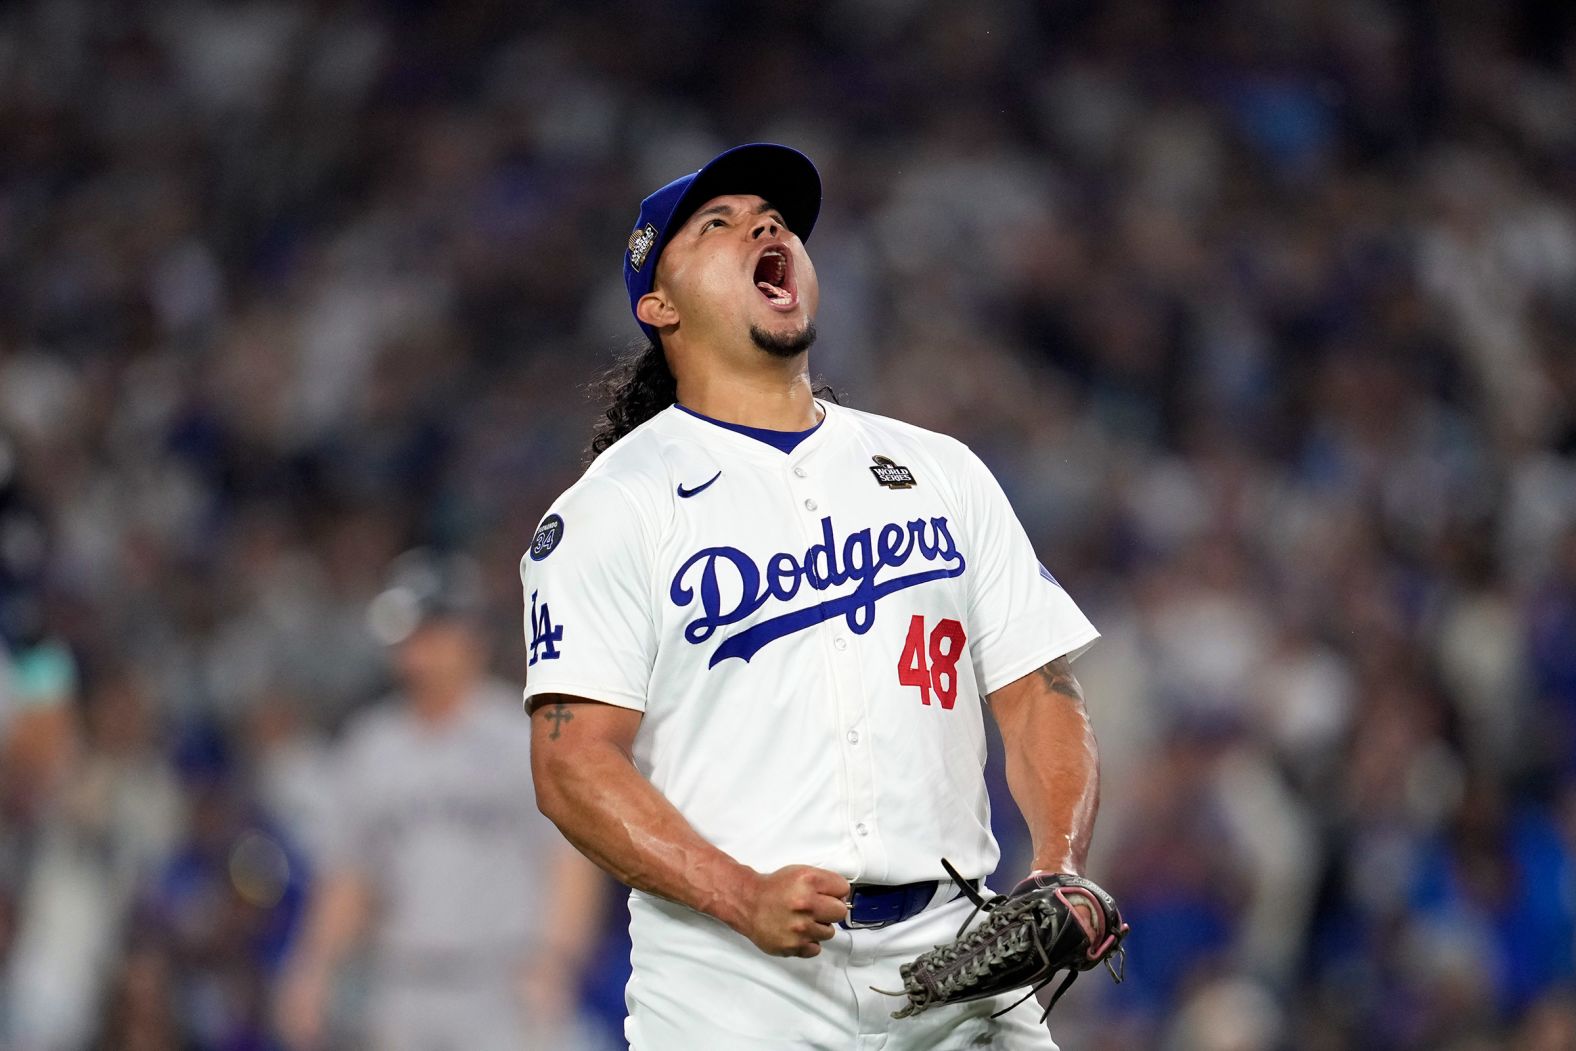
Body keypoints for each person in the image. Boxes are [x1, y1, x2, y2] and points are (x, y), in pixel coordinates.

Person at [522, 143, 1108, 1050]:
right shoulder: (612, 508)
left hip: (959, 950)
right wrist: (737, 892)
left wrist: (1059, 862)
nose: (763, 226)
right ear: (658, 306)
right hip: (734, 987)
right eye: (717, 224)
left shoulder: (938, 470)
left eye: (776, 219)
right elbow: (570, 765)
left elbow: (1039, 691)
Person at [277, 549, 606, 1051]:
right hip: (401, 982)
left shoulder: (521, 737)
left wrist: (557, 959)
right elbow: (349, 874)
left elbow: (568, 861)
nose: (413, 651)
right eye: (407, 637)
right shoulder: (371, 745)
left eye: (428, 633)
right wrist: (314, 967)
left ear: (469, 636)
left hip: (504, 981)